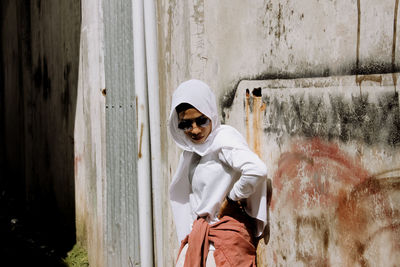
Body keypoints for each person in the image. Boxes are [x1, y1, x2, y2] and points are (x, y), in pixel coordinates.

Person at [168, 79, 268, 266]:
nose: (195, 130)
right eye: (186, 124)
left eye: (201, 120)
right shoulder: (192, 152)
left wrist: (232, 199)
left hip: (223, 240)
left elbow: (257, 169)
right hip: (201, 237)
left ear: (211, 115)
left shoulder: (223, 140)